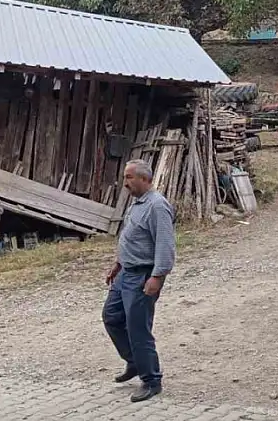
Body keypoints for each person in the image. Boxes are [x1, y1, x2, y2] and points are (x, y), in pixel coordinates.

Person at [102, 160, 176, 402]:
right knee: (112, 317)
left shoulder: (157, 206)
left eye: (129, 177)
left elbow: (165, 246)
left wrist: (157, 277)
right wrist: (118, 263)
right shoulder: (137, 204)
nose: (125, 183)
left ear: (145, 179)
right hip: (126, 272)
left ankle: (151, 380)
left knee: (138, 329)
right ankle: (134, 362)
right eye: (125, 177)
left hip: (143, 275)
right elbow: (131, 237)